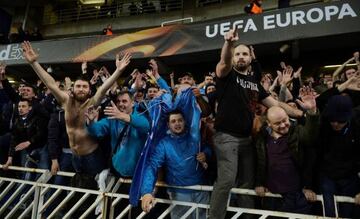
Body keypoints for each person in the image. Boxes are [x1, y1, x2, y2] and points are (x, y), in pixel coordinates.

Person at [209, 28, 302, 219]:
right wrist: (229, 43)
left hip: (246, 139)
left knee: (247, 183)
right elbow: (223, 63)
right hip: (226, 137)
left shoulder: (254, 83)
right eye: (237, 54)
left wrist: (301, 113)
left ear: (251, 58)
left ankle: (248, 217)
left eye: (245, 54)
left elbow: (276, 104)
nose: (241, 57)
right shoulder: (227, 75)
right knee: (226, 181)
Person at [20, 41, 131, 177]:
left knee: (95, 190)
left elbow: (103, 89)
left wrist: (118, 71)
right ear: (73, 88)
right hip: (74, 156)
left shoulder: (92, 103)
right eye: (78, 86)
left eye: (85, 87)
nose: (81, 89)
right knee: (78, 188)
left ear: (89, 91)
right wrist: (33, 63)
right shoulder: (66, 102)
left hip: (92, 155)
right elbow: (50, 84)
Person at [255, 87, 319, 214]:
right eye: (278, 123)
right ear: (269, 123)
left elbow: (310, 136)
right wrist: (259, 183)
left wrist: (311, 111)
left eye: (285, 120)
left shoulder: (297, 131)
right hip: (272, 196)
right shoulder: (261, 138)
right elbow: (259, 162)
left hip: (297, 194)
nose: (284, 125)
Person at [141, 105, 210, 219]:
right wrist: (147, 191)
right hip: (179, 194)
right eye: (173, 121)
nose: (177, 123)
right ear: (168, 125)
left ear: (185, 122)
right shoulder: (164, 144)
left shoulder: (194, 137)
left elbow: (206, 148)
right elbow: (152, 166)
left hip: (201, 191)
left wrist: (206, 154)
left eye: (180, 120)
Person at [86, 91, 150, 177]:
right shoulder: (112, 118)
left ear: (133, 103)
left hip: (138, 171)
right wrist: (91, 122)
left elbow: (146, 126)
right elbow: (96, 131)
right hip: (117, 167)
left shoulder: (141, 116)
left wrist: (123, 116)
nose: (120, 104)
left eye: (124, 101)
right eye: (118, 101)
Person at [317, 95, 360, 218]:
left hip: (350, 177)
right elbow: (314, 154)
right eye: (332, 119)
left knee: (348, 212)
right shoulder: (323, 125)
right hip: (327, 175)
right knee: (329, 212)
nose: (335, 124)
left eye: (341, 121)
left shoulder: (357, 127)